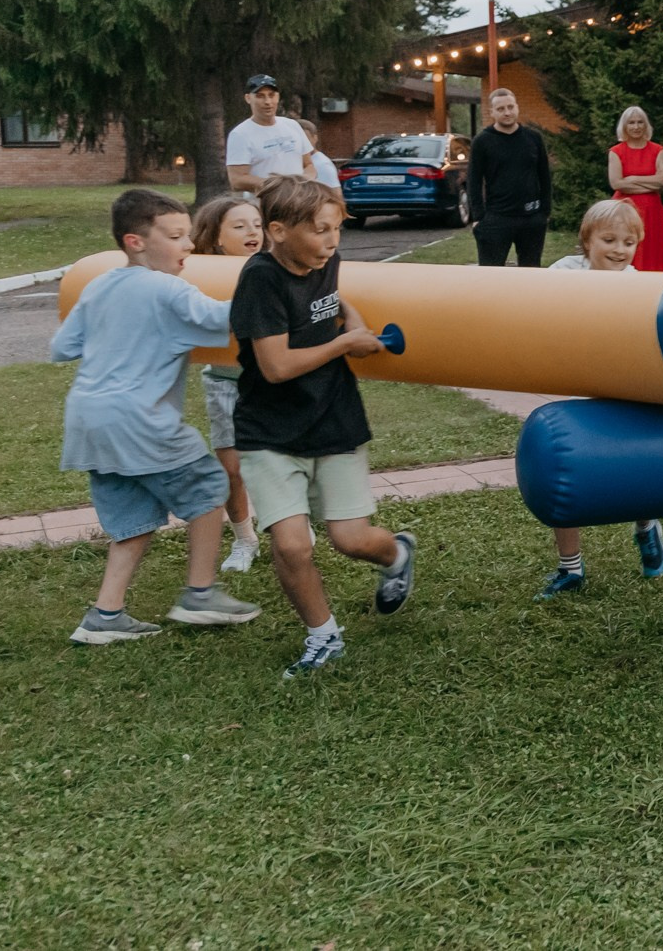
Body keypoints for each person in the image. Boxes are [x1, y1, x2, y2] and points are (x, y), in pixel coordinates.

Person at [51, 189, 262, 644]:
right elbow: (232, 319)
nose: (188, 246)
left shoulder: (100, 284)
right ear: (136, 241)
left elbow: (62, 348)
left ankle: (104, 617)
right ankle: (200, 594)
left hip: (88, 420)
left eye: (189, 235)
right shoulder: (167, 288)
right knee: (210, 489)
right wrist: (273, 283)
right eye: (176, 236)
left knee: (134, 520)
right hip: (139, 418)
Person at [230, 175, 417, 678]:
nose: (332, 242)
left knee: (352, 539)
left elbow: (332, 303)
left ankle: (398, 553)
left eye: (336, 229)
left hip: (333, 417)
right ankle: (323, 636)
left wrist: (352, 323)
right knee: (291, 544)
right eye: (320, 230)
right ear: (278, 230)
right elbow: (276, 366)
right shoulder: (260, 280)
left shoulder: (323, 260)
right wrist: (344, 345)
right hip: (270, 430)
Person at [535, 199, 663, 598]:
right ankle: (570, 568)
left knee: (635, 465)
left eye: (629, 242)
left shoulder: (635, 282)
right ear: (586, 241)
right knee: (564, 471)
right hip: (577, 388)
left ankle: (646, 527)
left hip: (623, 388)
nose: (619, 249)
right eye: (608, 239)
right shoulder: (563, 272)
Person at [189, 195, 267, 572]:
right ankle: (244, 539)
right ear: (217, 238)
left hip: (271, 381)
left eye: (256, 223)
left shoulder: (274, 268)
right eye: (239, 226)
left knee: (275, 460)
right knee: (231, 468)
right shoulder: (200, 276)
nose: (252, 231)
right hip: (224, 382)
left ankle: (284, 521)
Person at [467, 88, 552, 268]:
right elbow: (474, 180)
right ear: (492, 112)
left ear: (517, 107)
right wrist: (478, 217)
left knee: (531, 273)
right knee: (491, 275)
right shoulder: (482, 141)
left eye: (510, 107)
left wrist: (544, 212)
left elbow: (544, 176)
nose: (507, 112)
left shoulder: (533, 138)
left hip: (532, 219)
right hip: (496, 219)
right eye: (500, 109)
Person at [224, 74, 314, 194]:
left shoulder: (292, 125)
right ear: (248, 98)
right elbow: (237, 180)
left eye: (271, 95)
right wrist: (277, 186)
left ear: (278, 97)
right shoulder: (240, 134)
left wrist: (302, 182)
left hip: (299, 202)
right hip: (265, 206)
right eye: (260, 96)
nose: (267, 102)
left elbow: (308, 165)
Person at [608, 106, 663, 271]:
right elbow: (617, 184)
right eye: (631, 123)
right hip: (624, 210)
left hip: (652, 211)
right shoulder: (616, 152)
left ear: (646, 125)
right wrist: (650, 184)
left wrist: (634, 179)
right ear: (624, 126)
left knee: (652, 251)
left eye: (640, 122)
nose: (636, 127)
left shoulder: (658, 150)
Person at [296, 118, 341, 190]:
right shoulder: (296, 161)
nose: (302, 143)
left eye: (306, 139)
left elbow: (335, 195)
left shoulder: (322, 165)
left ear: (315, 138)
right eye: (297, 139)